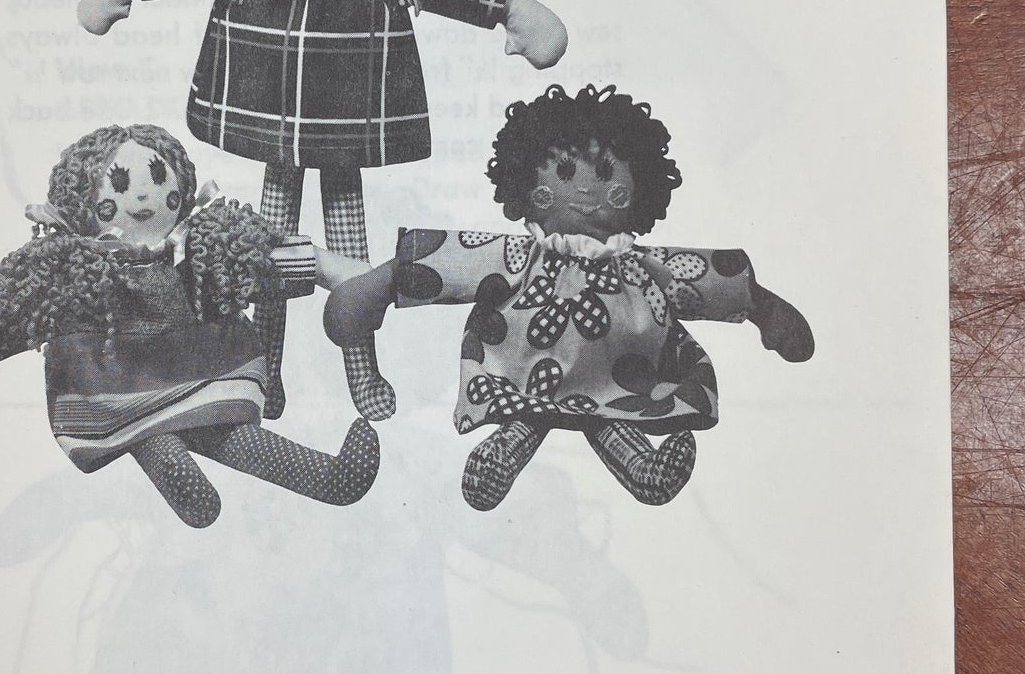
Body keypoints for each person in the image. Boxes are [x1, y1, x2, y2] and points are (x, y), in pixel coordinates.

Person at [76, 0, 567, 423]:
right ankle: (264, 363)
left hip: (349, 110)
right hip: (271, 105)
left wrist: (513, 9)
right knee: (268, 244)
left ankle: (359, 366)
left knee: (346, 239)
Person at [324, 83, 814, 511]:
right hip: (522, 379)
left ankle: (645, 470)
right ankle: (498, 459)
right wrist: (385, 282)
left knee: (612, 417)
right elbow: (452, 259)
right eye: (563, 173)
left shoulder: (642, 264)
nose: (584, 190)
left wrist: (762, 307)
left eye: (604, 173)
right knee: (527, 419)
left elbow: (703, 278)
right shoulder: (517, 257)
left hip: (620, 383)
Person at [0, 122, 377, 529]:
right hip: (113, 392)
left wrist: (329, 269)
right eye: (118, 186)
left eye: (157, 179)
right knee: (149, 435)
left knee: (229, 432)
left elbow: (260, 260)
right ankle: (181, 482)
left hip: (199, 378)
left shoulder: (203, 247)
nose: (140, 197)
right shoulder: (69, 269)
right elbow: (10, 313)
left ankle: (327, 477)